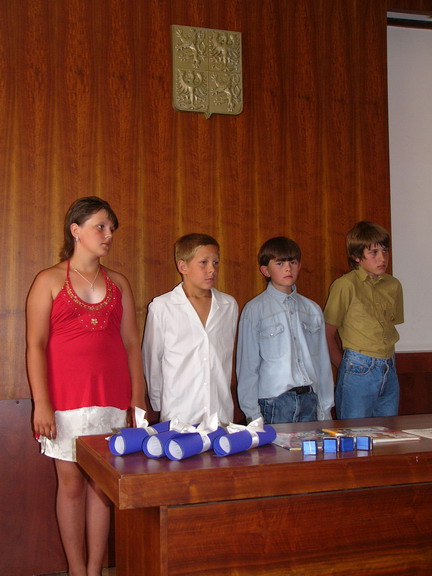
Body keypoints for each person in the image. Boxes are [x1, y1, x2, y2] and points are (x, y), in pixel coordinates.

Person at [26, 196, 146, 576]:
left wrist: (138, 401)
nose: (108, 234)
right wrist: (41, 404)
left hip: (112, 402)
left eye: (111, 229)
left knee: (102, 489)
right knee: (72, 486)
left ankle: (95, 571)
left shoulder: (119, 283)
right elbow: (35, 345)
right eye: (100, 227)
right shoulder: (48, 280)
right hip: (65, 402)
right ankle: (77, 571)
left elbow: (132, 345)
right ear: (76, 230)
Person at [142, 233, 238, 425]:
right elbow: (152, 359)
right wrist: (157, 401)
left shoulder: (228, 305)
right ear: (183, 266)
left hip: (219, 412)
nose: (211, 269)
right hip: (179, 412)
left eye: (216, 262)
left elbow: (226, 357)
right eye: (203, 262)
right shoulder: (162, 307)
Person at [236, 236, 334, 424]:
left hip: (310, 399)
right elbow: (247, 366)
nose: (288, 268)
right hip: (275, 401)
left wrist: (325, 408)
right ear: (265, 270)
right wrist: (253, 415)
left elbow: (322, 362)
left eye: (293, 262)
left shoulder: (312, 309)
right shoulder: (255, 310)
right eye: (280, 263)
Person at [324, 221, 404, 419]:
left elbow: (389, 326)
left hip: (389, 365)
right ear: (357, 256)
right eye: (374, 252)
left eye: (385, 251)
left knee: (388, 430)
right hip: (358, 366)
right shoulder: (345, 285)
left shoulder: (393, 285)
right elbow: (327, 333)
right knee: (355, 430)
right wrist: (345, 366)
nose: (382, 258)